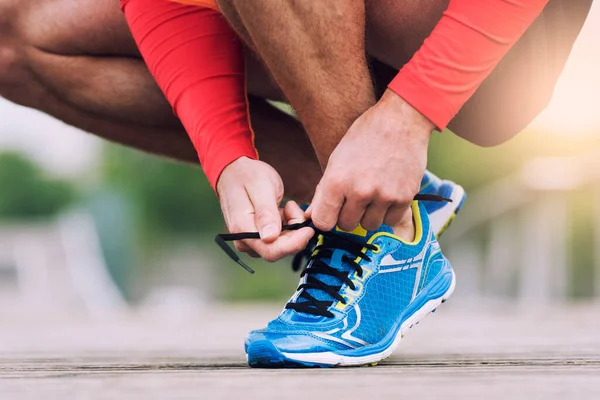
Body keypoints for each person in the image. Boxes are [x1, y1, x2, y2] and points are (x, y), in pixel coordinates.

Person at [0, 0, 591, 367]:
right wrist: (229, 155)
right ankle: (394, 200)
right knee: (16, 38)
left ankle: (382, 233)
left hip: (497, 31)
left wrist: (409, 114)